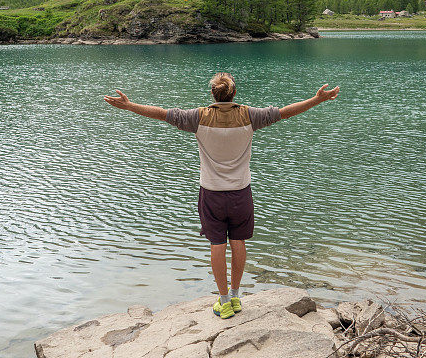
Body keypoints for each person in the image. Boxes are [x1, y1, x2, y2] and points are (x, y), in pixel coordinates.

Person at [103, 73, 339, 319]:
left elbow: (161, 113)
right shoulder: (249, 115)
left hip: (212, 194)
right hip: (241, 193)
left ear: (213, 95)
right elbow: (285, 112)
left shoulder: (197, 117)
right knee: (239, 242)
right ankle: (236, 297)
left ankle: (223, 301)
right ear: (234, 94)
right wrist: (317, 99)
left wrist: (129, 106)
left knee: (217, 245)